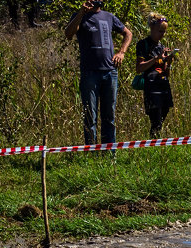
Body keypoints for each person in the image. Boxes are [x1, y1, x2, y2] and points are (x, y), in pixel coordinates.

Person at [64, 0, 132, 147]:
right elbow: (68, 34)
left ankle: (109, 152)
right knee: (90, 116)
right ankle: (91, 151)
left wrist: (122, 52)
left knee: (109, 116)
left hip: (110, 72)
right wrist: (81, 12)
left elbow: (128, 33)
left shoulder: (109, 16)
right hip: (90, 73)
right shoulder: (79, 16)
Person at [135, 13, 174, 138]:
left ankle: (156, 142)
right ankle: (154, 144)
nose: (162, 34)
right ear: (152, 28)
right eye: (160, 31)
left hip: (163, 84)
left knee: (163, 114)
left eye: (164, 31)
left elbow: (166, 72)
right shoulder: (143, 44)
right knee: (155, 120)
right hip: (151, 87)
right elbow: (139, 68)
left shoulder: (162, 47)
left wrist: (169, 62)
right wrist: (156, 58)